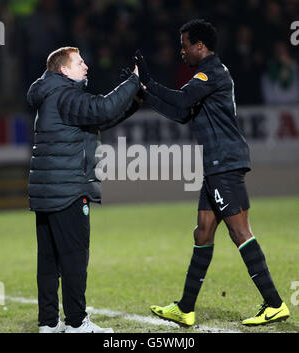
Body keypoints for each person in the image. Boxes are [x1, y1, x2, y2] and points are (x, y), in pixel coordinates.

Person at [135, 19, 290, 326]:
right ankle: (186, 307)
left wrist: (149, 82)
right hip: (216, 163)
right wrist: (145, 95)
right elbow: (181, 113)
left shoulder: (211, 72)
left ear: (200, 46)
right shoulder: (204, 79)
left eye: (185, 45)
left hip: (224, 162)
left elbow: (180, 99)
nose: (182, 51)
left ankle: (274, 303)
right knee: (203, 231)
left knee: (239, 231)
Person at [27, 46, 141, 333]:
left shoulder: (51, 94)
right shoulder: (66, 94)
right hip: (68, 191)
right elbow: (101, 108)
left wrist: (133, 99)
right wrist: (133, 81)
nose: (86, 66)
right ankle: (77, 323)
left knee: (49, 262)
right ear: (64, 69)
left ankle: (49, 323)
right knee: (74, 258)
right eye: (79, 62)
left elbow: (99, 118)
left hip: (47, 191)